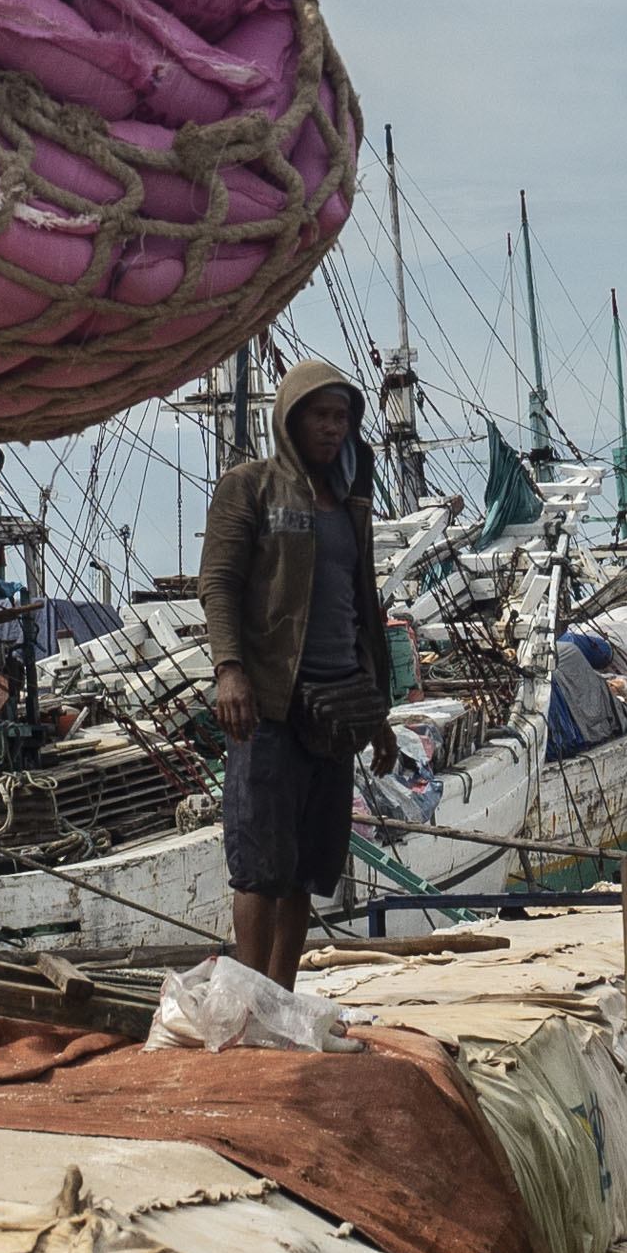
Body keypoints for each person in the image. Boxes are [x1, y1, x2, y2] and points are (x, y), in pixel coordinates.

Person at [200, 357, 399, 992]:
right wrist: (229, 670)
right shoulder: (250, 486)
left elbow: (363, 605)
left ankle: (279, 997)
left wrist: (379, 712)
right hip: (269, 710)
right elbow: (220, 584)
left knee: (308, 869)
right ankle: (250, 995)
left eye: (342, 417)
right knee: (260, 864)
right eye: (320, 414)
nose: (333, 427)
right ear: (290, 417)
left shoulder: (348, 501)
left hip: (336, 711)